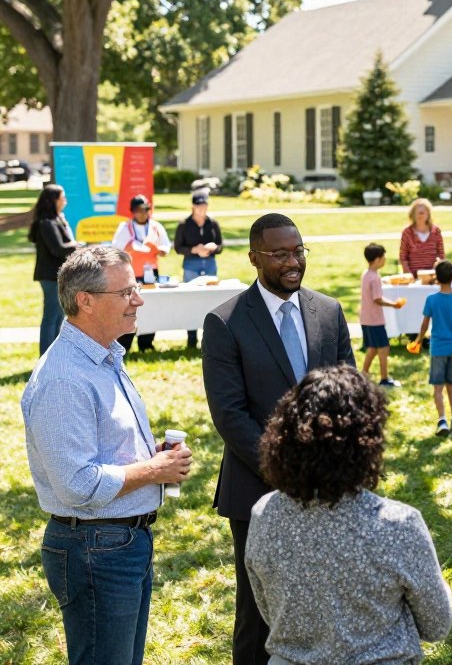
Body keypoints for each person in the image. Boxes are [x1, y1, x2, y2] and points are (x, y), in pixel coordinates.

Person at [21, 246, 193, 665]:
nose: (139, 299)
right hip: (95, 548)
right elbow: (78, 484)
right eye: (127, 292)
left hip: (117, 543)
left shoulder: (103, 358)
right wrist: (153, 469)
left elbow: (101, 450)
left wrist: (149, 458)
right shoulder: (64, 378)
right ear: (86, 301)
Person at [202, 213, 355, 665]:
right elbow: (230, 416)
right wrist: (290, 475)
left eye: (299, 251)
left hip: (328, 493)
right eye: (280, 254)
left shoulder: (329, 312)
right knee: (260, 617)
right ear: (254, 258)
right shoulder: (225, 321)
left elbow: (348, 396)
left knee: (324, 608)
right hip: (257, 492)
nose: (293, 262)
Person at [245, 365, 452, 663]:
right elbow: (436, 625)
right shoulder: (398, 525)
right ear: (368, 440)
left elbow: (268, 611)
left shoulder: (264, 514)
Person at [411, 260, 452, 436]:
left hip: (438, 348)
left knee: (438, 387)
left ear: (436, 279)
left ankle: (442, 421)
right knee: (451, 384)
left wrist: (418, 339)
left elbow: (424, 325)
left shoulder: (431, 300)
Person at [112, 194, 171, 352]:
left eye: (146, 209)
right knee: (129, 309)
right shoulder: (125, 228)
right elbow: (116, 250)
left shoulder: (156, 227)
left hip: (151, 273)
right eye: (139, 210)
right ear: (133, 211)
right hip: (131, 275)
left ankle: (146, 344)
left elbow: (166, 249)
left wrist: (157, 249)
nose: (143, 213)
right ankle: (125, 345)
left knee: (151, 308)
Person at [28, 183, 81, 355]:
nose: (65, 200)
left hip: (58, 275)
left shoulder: (57, 219)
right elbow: (58, 249)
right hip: (50, 276)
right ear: (53, 201)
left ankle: (54, 355)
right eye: (62, 197)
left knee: (59, 317)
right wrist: (78, 245)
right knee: (51, 317)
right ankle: (46, 357)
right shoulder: (47, 223)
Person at [173, 191, 223, 348]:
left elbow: (220, 246)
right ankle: (191, 338)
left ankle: (209, 336)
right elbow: (178, 247)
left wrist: (214, 247)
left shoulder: (213, 223)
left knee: (210, 299)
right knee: (191, 300)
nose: (202, 209)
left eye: (204, 206)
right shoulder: (184, 224)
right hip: (191, 264)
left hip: (209, 264)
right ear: (192, 207)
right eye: (198, 206)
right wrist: (194, 250)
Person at [359, 242, 404, 388]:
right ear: (378, 259)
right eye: (384, 257)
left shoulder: (367, 274)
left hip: (366, 319)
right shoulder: (374, 278)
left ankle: (363, 374)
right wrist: (394, 304)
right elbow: (377, 299)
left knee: (372, 348)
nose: (385, 260)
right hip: (375, 320)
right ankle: (384, 378)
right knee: (384, 348)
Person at [399, 197, 445, 275]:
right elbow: (403, 257)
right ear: (412, 214)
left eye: (423, 213)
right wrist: (409, 276)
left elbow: (441, 255)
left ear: (428, 214)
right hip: (413, 277)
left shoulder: (436, 231)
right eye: (418, 213)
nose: (420, 215)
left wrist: (436, 272)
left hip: (433, 276)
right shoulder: (407, 233)